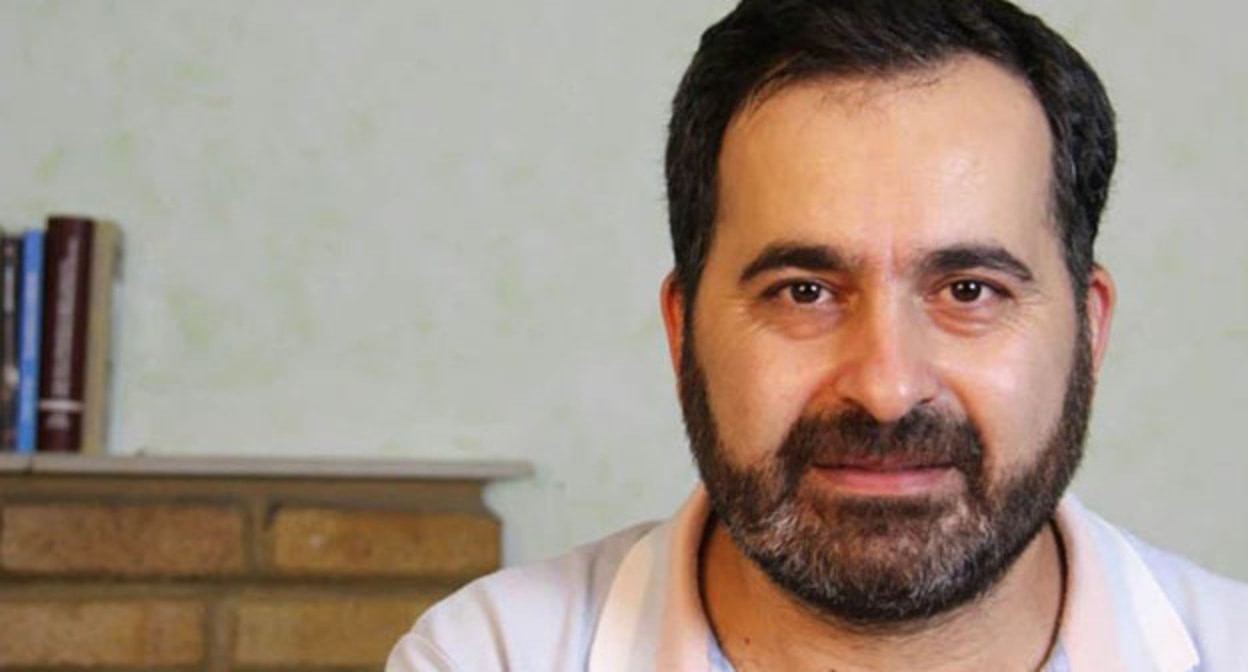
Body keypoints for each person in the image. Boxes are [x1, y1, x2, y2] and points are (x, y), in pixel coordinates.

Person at [387, 1, 1248, 670]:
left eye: (968, 291)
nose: (887, 387)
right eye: (804, 292)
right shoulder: (485, 656)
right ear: (683, 331)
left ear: (1089, 331)